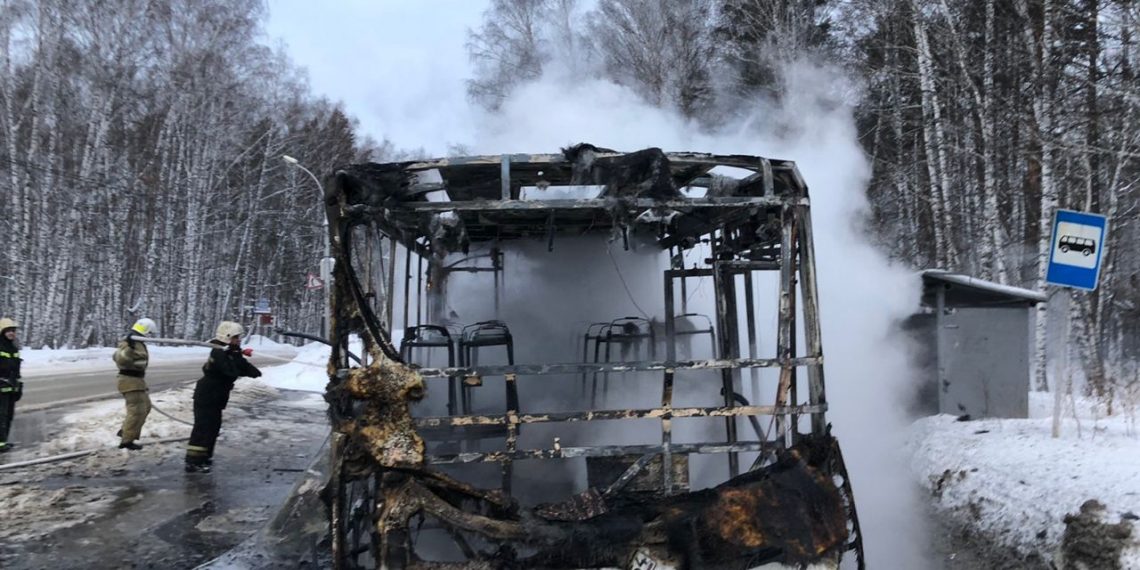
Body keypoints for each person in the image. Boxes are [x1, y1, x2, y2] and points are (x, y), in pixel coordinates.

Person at [185, 321, 260, 473]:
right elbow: (230, 371)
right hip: (207, 396)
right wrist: (236, 356)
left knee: (213, 428)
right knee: (203, 428)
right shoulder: (218, 352)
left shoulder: (229, 353)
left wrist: (240, 357)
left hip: (217, 397)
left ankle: (205, 457)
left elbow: (251, 371)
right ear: (226, 337)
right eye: (236, 337)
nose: (239, 340)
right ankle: (193, 461)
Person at [113, 318, 156, 450]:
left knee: (146, 407)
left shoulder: (139, 342)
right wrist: (130, 348)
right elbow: (119, 358)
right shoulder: (130, 342)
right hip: (129, 381)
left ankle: (126, 430)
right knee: (137, 411)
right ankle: (126, 441)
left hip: (137, 381)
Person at [0, 318, 22, 453]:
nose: (11, 333)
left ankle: (3, 441)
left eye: (13, 331)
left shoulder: (13, 348)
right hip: (0, 388)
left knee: (8, 415)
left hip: (11, 388)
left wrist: (18, 385)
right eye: (8, 331)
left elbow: (16, 369)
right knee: (0, 416)